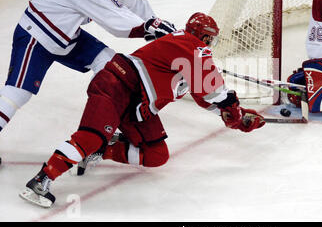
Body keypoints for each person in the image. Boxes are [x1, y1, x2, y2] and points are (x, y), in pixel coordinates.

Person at [19, 12, 266, 208]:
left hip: (137, 105)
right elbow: (214, 88)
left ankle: (100, 151)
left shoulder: (188, 57)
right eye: (210, 39)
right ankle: (41, 180)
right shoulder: (190, 45)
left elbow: (206, 97)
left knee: (157, 155)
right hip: (116, 86)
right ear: (205, 37)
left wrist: (237, 116)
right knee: (90, 136)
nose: (210, 45)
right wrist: (231, 106)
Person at [0, 0, 176, 164]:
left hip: (67, 36)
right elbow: (115, 21)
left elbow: (134, 0)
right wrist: (146, 28)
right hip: (37, 35)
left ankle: (105, 127)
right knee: (17, 94)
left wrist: (156, 24)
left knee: (111, 65)